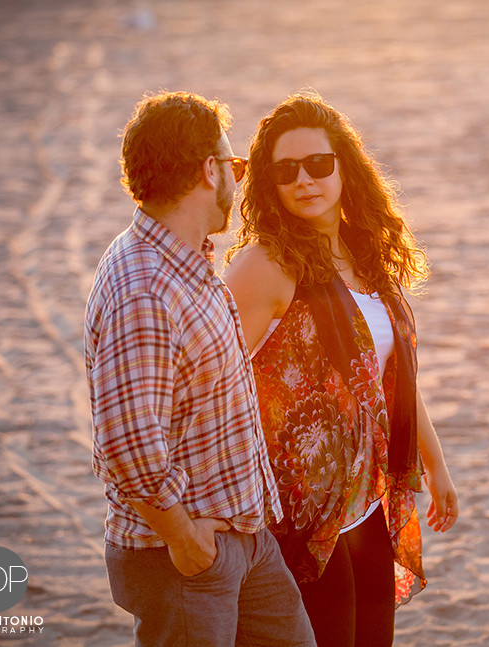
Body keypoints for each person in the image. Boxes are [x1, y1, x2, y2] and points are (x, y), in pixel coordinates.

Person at [222, 91, 459, 647]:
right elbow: (210, 381)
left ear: (344, 167)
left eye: (318, 164)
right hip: (298, 516)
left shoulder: (365, 255)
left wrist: (436, 465)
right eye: (285, 170)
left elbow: (392, 379)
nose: (304, 180)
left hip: (367, 502)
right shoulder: (266, 264)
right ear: (268, 184)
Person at [84, 90, 316, 647]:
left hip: (243, 538)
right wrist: (184, 538)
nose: (238, 180)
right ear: (210, 171)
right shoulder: (144, 287)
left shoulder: (187, 261)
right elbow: (125, 442)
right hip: (184, 558)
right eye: (234, 166)